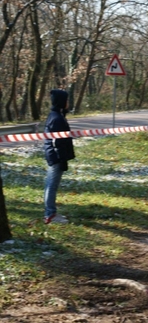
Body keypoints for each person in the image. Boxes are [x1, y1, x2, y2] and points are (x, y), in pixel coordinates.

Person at [44, 89, 75, 224]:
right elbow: (57, 142)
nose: (68, 103)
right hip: (56, 157)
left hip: (55, 156)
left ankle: (50, 213)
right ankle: (50, 215)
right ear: (62, 102)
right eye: (67, 100)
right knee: (52, 185)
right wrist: (61, 159)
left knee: (51, 184)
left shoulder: (57, 115)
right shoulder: (57, 118)